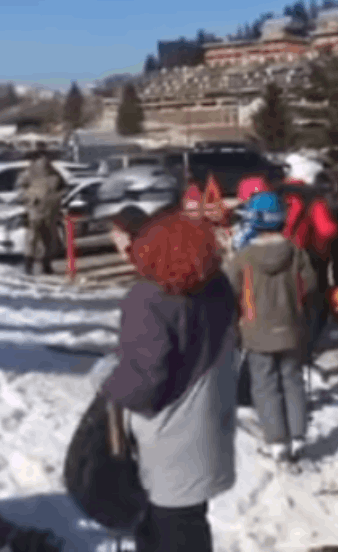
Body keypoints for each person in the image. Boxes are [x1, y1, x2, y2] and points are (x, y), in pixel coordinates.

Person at [99, 210, 239, 552]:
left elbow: (146, 380)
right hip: (209, 427)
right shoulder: (217, 287)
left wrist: (105, 378)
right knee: (189, 522)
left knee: (169, 530)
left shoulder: (148, 299)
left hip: (169, 439)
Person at [228, 192, 318, 463]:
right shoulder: (296, 254)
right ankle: (298, 435)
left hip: (256, 332)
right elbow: (311, 286)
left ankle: (277, 441)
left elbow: (229, 291)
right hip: (291, 328)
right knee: (293, 382)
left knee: (265, 385)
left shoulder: (244, 258)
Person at [16, 148, 67, 275]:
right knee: (33, 239)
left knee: (48, 240)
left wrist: (58, 199)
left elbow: (64, 189)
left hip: (50, 211)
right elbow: (20, 189)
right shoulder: (30, 173)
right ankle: (29, 266)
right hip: (35, 211)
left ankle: (46, 265)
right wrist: (30, 199)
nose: (44, 162)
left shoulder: (55, 175)